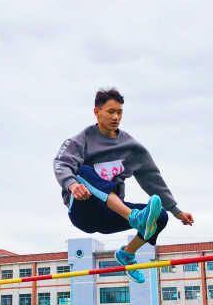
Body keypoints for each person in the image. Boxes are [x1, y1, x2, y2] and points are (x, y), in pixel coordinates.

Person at [53, 88, 194, 283]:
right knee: (83, 171)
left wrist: (177, 212)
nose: (116, 117)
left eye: (119, 112)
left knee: (160, 215)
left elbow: (152, 178)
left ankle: (127, 254)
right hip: (84, 210)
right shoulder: (81, 141)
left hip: (113, 213)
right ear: (97, 112)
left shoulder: (131, 147)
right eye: (111, 112)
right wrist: (71, 184)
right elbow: (62, 163)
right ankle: (134, 217)